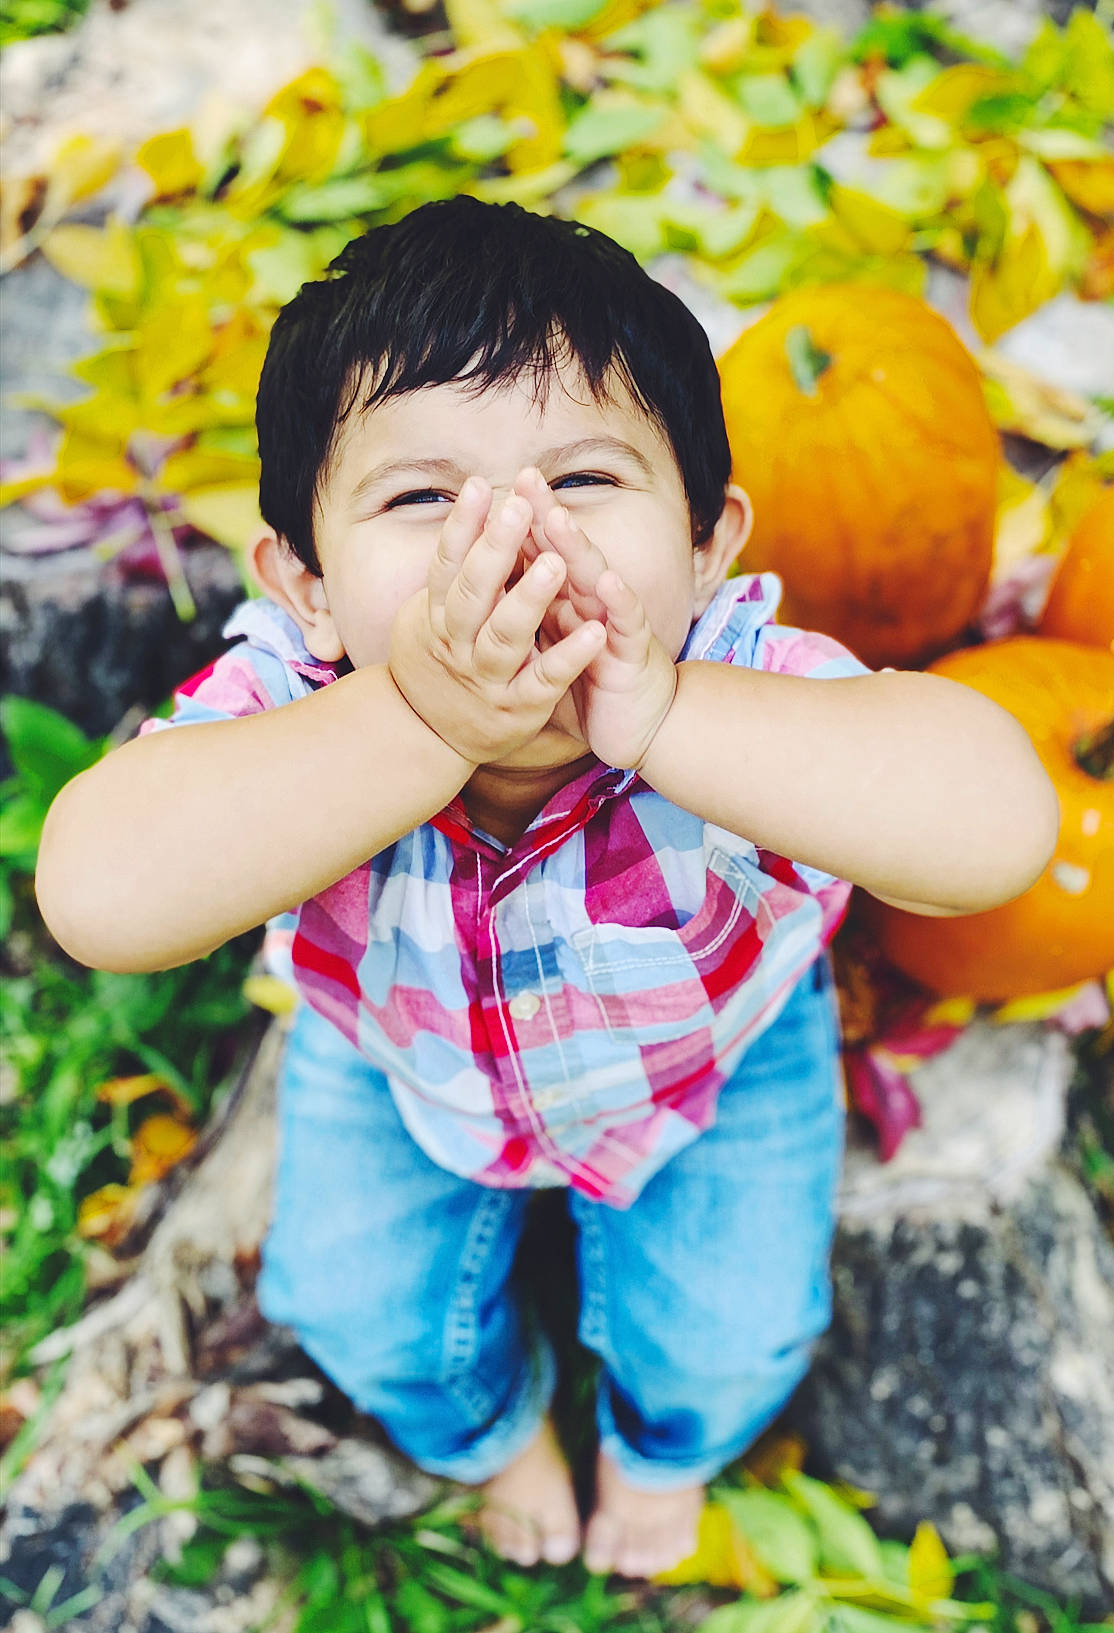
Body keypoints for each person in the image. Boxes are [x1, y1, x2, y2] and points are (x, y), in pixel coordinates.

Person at [35, 195, 1059, 1579]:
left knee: (731, 1321)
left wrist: (665, 718)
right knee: (349, 1296)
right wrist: (418, 725)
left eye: (581, 483)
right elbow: (98, 895)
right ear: (307, 585)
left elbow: (997, 824)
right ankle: (492, 1432)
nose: (511, 543)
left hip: (712, 1054)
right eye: (419, 499)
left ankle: (662, 1448)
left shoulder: (739, 677)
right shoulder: (302, 694)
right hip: (403, 1056)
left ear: (705, 545)